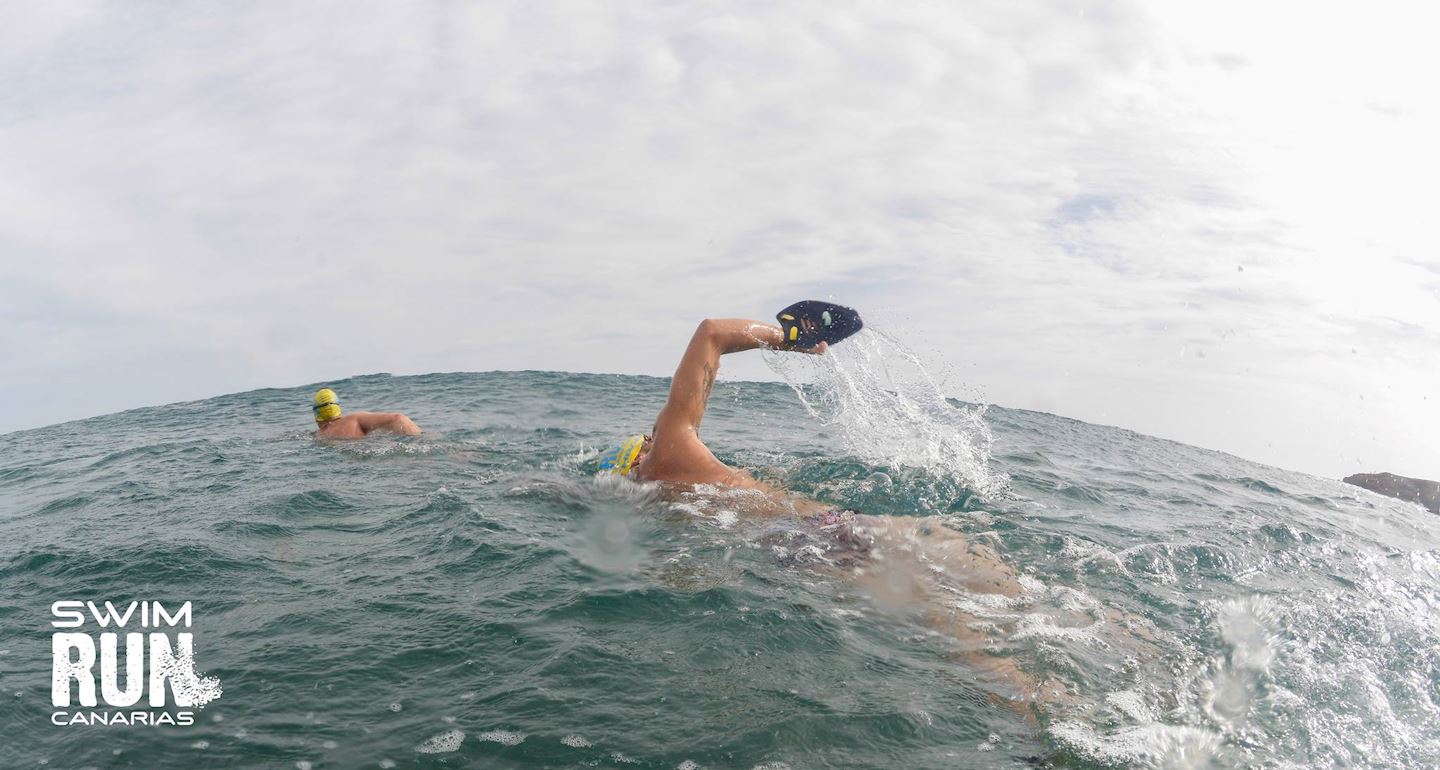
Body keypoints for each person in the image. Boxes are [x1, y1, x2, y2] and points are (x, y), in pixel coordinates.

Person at [598, 317, 1061, 706]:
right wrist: (793, 340)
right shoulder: (670, 453)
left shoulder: (660, 494)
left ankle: (1042, 713)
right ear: (643, 454)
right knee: (1015, 592)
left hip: (808, 544)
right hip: (849, 522)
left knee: (956, 634)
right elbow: (712, 333)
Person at [310, 388, 422, 438]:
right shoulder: (354, 420)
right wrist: (418, 440)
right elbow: (398, 418)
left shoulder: (318, 437)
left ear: (316, 416)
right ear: (338, 408)